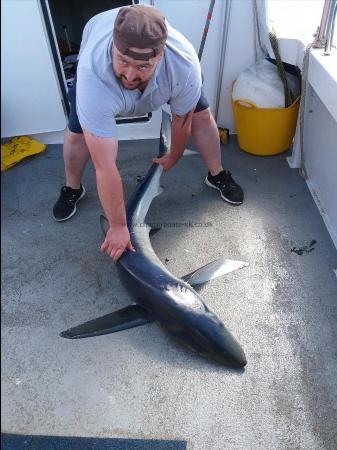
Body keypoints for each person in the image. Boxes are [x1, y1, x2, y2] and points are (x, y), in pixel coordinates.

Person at [53, 4, 244, 262]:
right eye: (123, 61)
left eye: (143, 66)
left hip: (171, 78)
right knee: (77, 133)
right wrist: (119, 227)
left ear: (161, 55)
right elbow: (104, 165)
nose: (130, 75)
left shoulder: (184, 65)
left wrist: (174, 155)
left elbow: (182, 120)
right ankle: (72, 188)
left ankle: (217, 173)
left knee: (200, 114)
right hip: (99, 80)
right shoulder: (92, 73)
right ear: (113, 47)